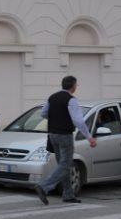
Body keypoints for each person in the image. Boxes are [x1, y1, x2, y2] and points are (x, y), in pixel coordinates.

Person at [34, 75, 97, 205]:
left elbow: (43, 113)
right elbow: (78, 120)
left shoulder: (52, 97)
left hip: (52, 135)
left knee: (63, 165)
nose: (76, 87)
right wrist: (89, 138)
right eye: (76, 85)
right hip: (65, 135)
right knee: (66, 164)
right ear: (73, 86)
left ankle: (68, 194)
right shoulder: (71, 100)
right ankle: (44, 186)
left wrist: (56, 117)